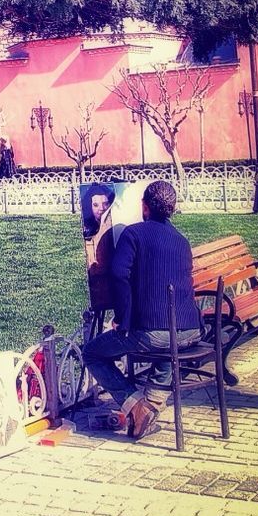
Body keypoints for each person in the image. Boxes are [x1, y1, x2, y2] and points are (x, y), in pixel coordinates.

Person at [81, 180, 201, 440]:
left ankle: (136, 406)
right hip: (191, 330)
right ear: (172, 208)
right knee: (165, 342)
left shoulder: (133, 234)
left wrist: (123, 318)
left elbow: (118, 273)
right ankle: (153, 404)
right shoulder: (182, 240)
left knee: (91, 353)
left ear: (144, 206)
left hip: (156, 332)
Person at [81, 183, 116, 311]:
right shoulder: (89, 229)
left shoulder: (114, 224)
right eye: (95, 205)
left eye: (105, 203)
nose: (101, 208)